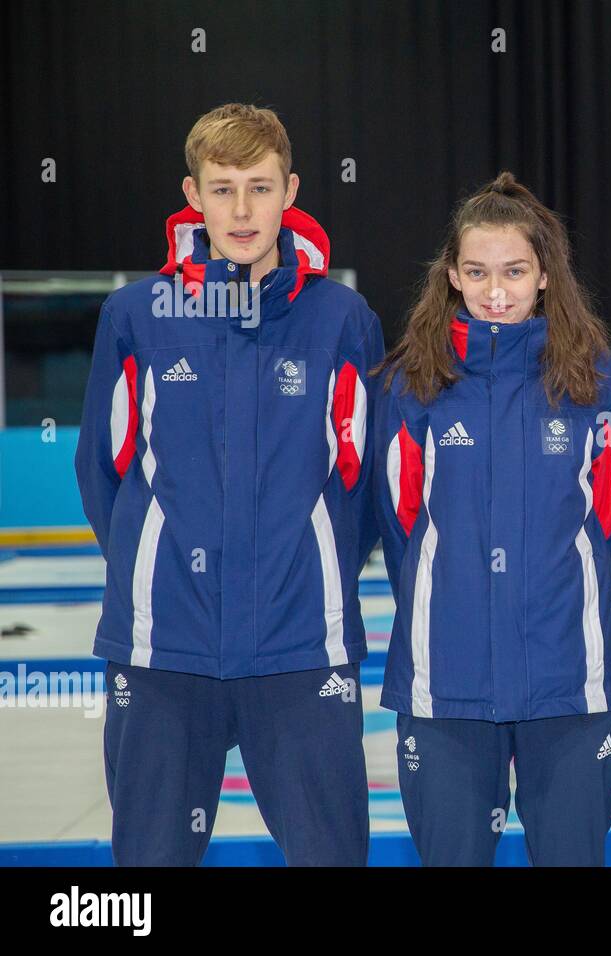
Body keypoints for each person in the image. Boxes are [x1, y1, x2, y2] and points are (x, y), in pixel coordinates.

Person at [74, 103, 385, 865]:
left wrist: (311, 572)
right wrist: (160, 574)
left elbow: (370, 479)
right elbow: (101, 470)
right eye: (222, 189)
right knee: (149, 865)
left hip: (303, 647)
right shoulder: (137, 315)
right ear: (193, 193)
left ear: (292, 190)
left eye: (260, 186)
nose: (242, 210)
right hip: (163, 652)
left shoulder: (342, 318)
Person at [373, 172, 611, 866]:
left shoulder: (601, 383)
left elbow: (606, 522)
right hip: (445, 685)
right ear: (452, 275)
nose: (496, 291)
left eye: (514, 271)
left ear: (545, 274)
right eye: (478, 272)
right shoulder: (408, 386)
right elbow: (400, 527)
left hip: (568, 684)